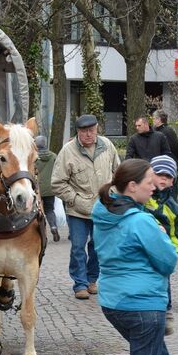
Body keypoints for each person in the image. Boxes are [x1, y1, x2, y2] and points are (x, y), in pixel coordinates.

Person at [92, 159, 178, 355]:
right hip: (143, 305)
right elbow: (169, 261)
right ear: (132, 186)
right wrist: (163, 235)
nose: (154, 186)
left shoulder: (102, 210)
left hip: (114, 303)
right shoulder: (141, 221)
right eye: (149, 181)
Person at [51, 114, 120, 300]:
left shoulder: (107, 146)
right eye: (84, 131)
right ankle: (79, 284)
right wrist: (74, 200)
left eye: (91, 130)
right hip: (77, 210)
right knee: (78, 248)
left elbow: (118, 173)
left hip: (103, 207)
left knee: (98, 247)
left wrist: (112, 194)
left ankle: (92, 280)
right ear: (78, 132)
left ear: (97, 129)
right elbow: (57, 183)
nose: (88, 135)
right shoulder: (68, 151)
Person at [145, 155, 178, 336]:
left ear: (173, 181)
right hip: (144, 249)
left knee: (163, 281)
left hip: (162, 251)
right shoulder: (144, 198)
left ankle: (166, 311)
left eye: (168, 177)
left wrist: (175, 251)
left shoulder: (173, 207)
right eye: (159, 174)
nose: (163, 179)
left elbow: (176, 234)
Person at [152, 110, 178, 199]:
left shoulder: (167, 131)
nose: (153, 121)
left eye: (154, 118)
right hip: (163, 166)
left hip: (171, 166)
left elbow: (176, 147)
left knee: (171, 196)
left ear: (159, 119)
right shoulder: (158, 131)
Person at [35, 135, 60, 242]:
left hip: (37, 189)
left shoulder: (33, 157)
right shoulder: (54, 156)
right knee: (50, 209)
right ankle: (53, 227)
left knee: (37, 211)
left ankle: (41, 233)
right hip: (50, 188)